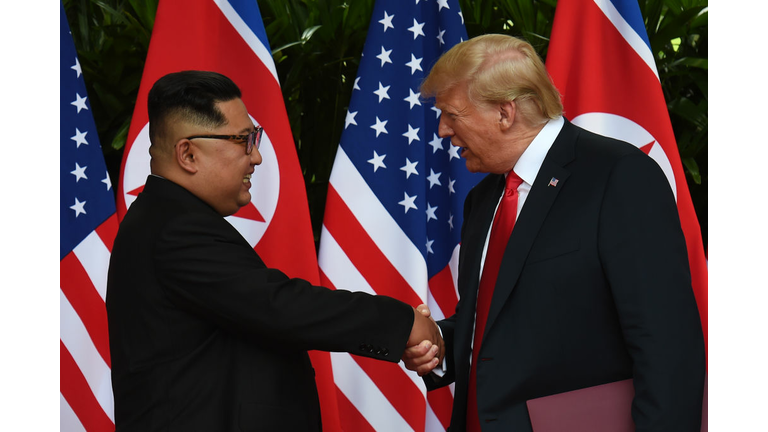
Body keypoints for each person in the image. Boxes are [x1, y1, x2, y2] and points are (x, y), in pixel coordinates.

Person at [106, 70, 443, 431]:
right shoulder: (174, 228)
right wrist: (403, 323)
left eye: (255, 139)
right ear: (188, 154)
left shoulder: (165, 219)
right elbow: (281, 306)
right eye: (243, 140)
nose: (257, 158)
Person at [402, 34, 705, 431]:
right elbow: (496, 323)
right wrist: (438, 345)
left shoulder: (619, 176)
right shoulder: (482, 199)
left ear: (505, 113)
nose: (442, 130)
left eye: (452, 115)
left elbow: (667, 347)